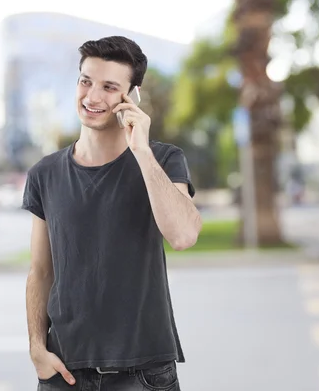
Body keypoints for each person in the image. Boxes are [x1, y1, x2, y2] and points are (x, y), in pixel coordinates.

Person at [21, 35, 202, 391]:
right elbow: (41, 271)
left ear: (131, 96)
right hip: (63, 373)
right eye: (86, 81)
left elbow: (183, 236)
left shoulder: (163, 160)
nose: (91, 97)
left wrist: (142, 150)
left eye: (108, 87)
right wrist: (36, 348)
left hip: (144, 375)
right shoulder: (45, 174)